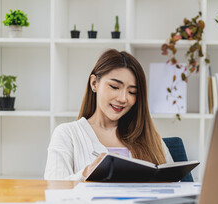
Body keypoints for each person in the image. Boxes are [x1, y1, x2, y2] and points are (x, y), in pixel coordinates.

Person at [44, 49, 173, 181]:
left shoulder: (151, 139)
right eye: (114, 87)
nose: (123, 98)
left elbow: (175, 188)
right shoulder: (67, 134)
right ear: (94, 83)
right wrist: (86, 173)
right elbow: (54, 189)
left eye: (132, 92)